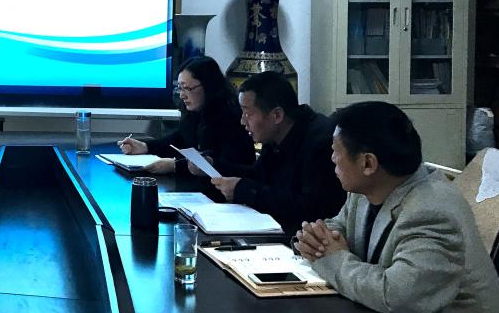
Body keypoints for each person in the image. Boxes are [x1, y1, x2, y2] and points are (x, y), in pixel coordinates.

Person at [295, 101, 499, 313]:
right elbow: (337, 228)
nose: (331, 158)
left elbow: (397, 295)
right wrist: (314, 238)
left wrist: (331, 259)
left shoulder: (433, 211)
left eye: (336, 151)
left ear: (368, 163)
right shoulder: (369, 189)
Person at [210, 71, 344, 234]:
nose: (242, 121)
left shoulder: (321, 143)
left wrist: (244, 190)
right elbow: (258, 174)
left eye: (248, 113)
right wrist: (214, 165)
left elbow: (309, 209)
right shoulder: (276, 134)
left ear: (277, 115)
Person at [116, 56, 255, 177]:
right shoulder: (196, 112)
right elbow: (180, 139)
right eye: (180, 88)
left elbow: (222, 164)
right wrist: (145, 146)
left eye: (187, 88)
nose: (182, 95)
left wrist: (175, 165)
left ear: (209, 86)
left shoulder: (233, 118)